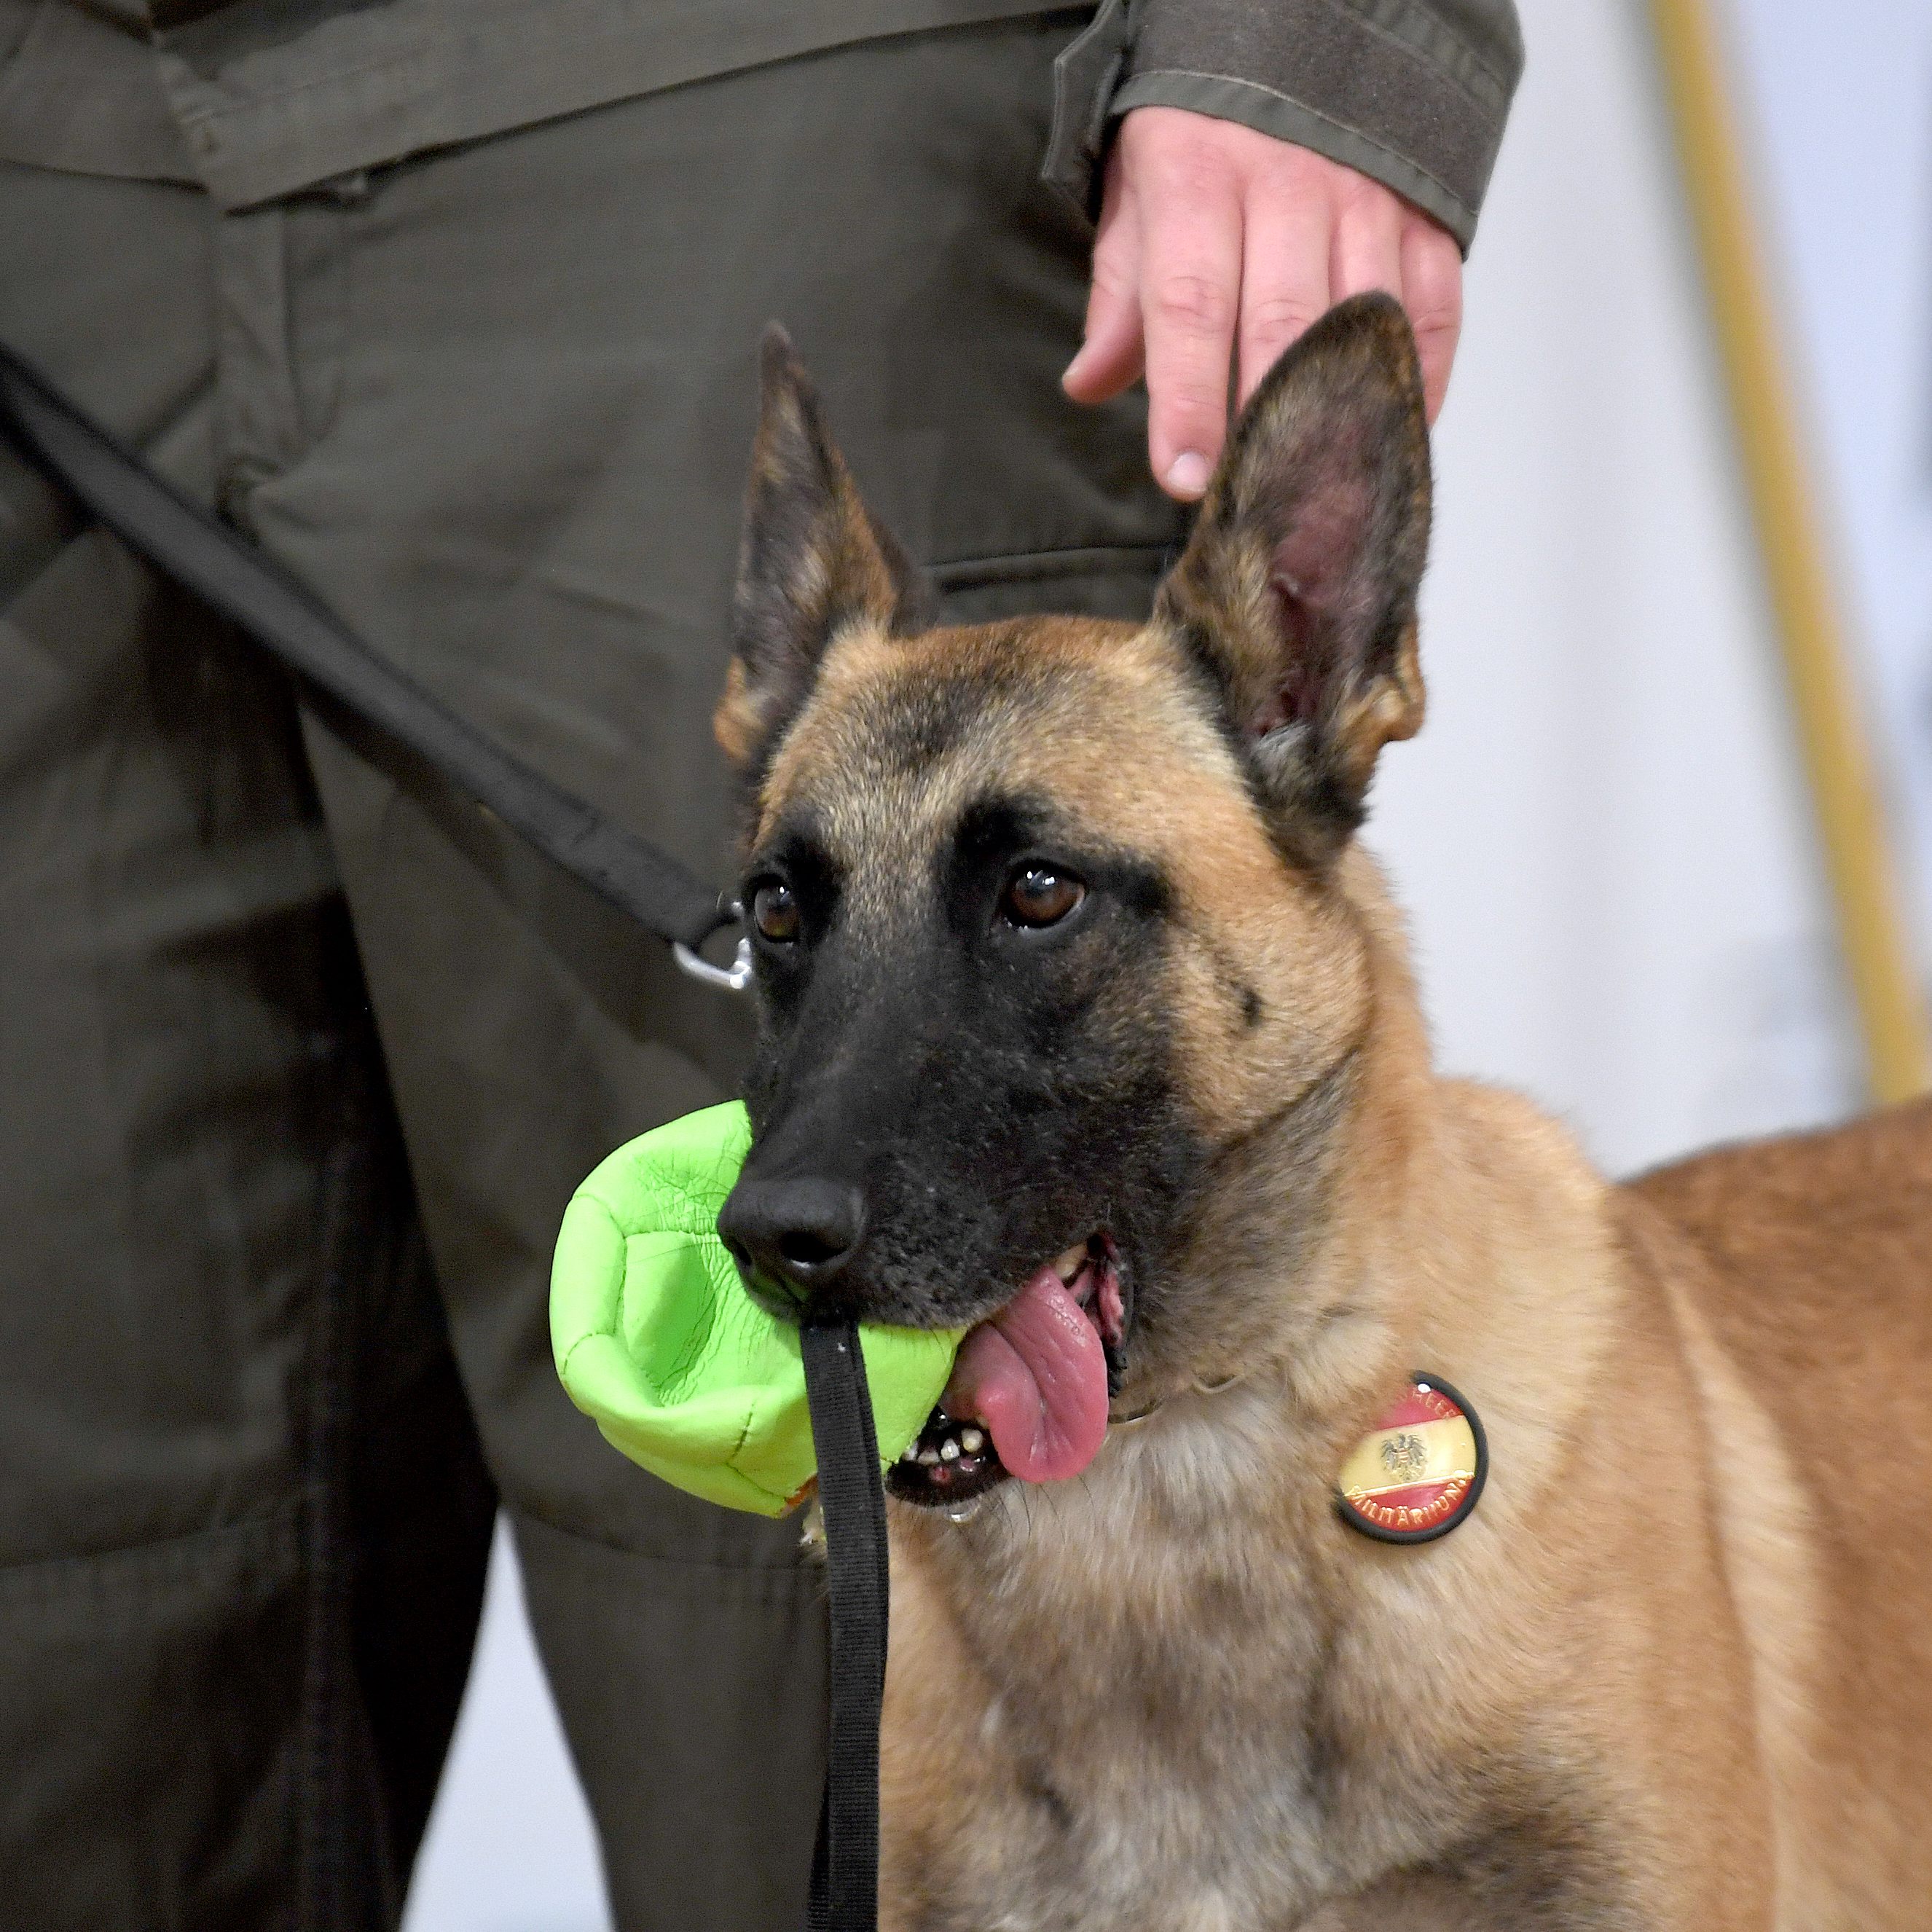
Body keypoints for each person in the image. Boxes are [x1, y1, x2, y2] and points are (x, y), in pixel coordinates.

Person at [0, 1, 1520, 1924]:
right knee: (85, 1639)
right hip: (48, 199)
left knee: (823, 1665)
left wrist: (1317, 40)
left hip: (758, 103)